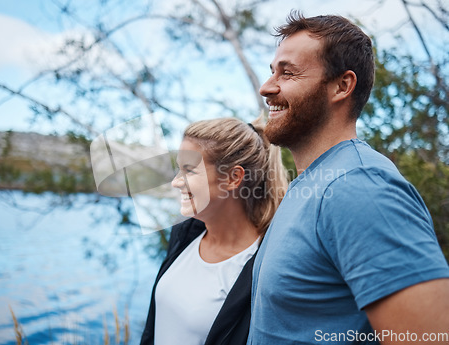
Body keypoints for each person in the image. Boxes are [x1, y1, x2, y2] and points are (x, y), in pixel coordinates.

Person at [248, 11, 449, 345]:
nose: (267, 87)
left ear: (342, 85)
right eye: (272, 71)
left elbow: (429, 337)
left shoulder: (359, 185)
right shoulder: (312, 184)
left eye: (288, 73)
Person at [140, 116, 288, 345]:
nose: (176, 182)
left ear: (233, 178)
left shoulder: (264, 267)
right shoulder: (184, 235)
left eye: (189, 170)